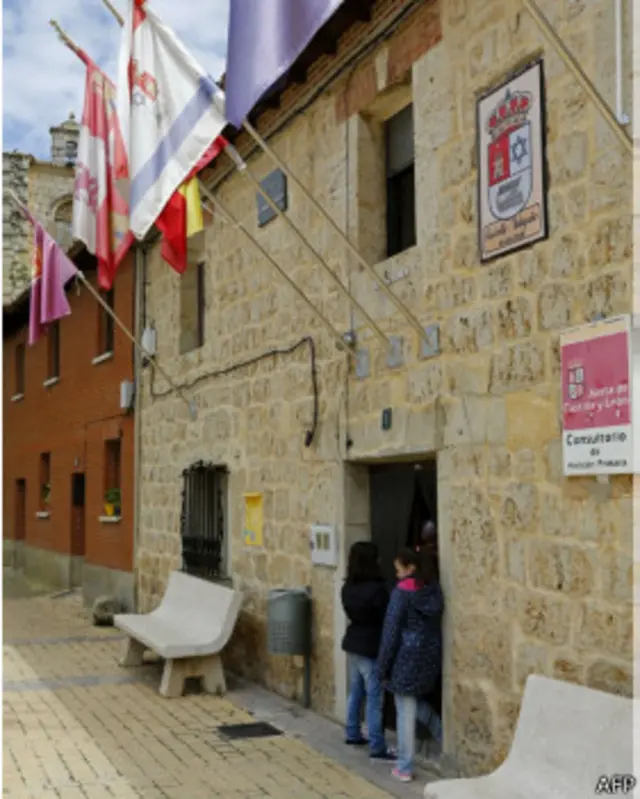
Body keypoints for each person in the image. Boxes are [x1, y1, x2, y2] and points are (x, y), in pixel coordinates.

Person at [376, 547, 444, 783]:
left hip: (405, 657)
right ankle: (444, 736)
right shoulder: (433, 590)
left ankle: (404, 766)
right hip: (428, 656)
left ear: (410, 568)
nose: (396, 575)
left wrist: (382, 667)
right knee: (414, 701)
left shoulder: (402, 594)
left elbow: (391, 633)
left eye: (398, 569)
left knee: (404, 710)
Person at [341, 541, 395, 761]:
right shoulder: (377, 589)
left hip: (353, 642)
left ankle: (352, 732)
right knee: (374, 697)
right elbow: (386, 617)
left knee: (355, 691)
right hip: (370, 646)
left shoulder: (347, 587)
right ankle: (377, 744)